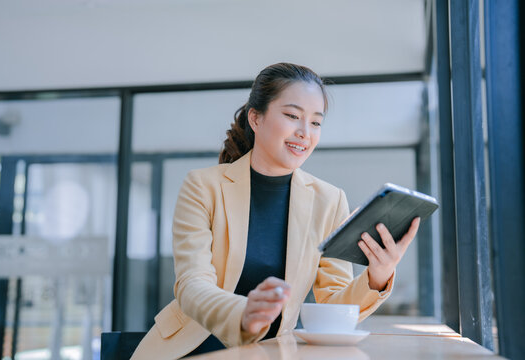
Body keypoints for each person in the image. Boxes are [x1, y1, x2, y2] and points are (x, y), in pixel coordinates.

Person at [131, 63, 420, 359]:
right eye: (292, 116)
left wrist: (377, 276)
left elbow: (332, 306)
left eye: (316, 122)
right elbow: (191, 285)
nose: (304, 133)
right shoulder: (203, 186)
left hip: (268, 353)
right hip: (188, 348)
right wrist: (244, 313)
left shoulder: (329, 200)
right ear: (256, 118)